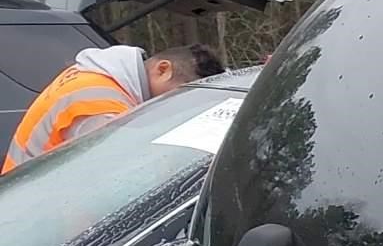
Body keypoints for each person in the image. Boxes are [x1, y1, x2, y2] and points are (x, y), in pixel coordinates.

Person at [4, 42, 223, 173]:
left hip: (25, 195)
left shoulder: (99, 77)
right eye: (181, 94)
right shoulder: (99, 99)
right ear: (163, 69)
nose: (179, 107)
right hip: (33, 210)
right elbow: (114, 171)